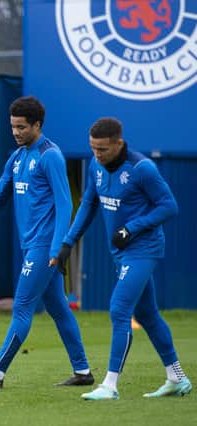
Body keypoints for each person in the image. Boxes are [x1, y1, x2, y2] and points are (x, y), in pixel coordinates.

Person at [0, 96, 93, 388]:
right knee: (59, 309)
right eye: (13, 126)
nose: (15, 132)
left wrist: (58, 249)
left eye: (22, 127)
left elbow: (65, 206)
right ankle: (83, 371)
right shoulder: (17, 157)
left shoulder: (50, 155)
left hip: (45, 246)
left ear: (37, 125)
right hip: (32, 245)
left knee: (22, 305)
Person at [55, 118, 192, 400]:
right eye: (93, 148)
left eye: (103, 149)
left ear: (119, 143)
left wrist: (132, 228)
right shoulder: (95, 166)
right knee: (147, 314)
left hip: (143, 250)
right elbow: (89, 205)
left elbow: (169, 206)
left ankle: (110, 385)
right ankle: (176, 377)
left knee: (119, 309)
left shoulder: (142, 169)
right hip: (120, 252)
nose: (97, 155)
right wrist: (68, 243)